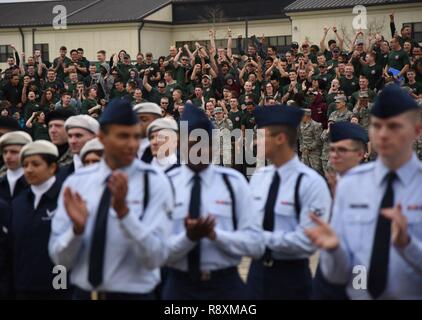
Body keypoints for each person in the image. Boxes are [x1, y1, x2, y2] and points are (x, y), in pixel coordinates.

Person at [305, 85, 422, 299]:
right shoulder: (352, 185)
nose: (384, 134)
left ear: (416, 130)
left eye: (394, 126)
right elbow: (338, 273)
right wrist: (333, 251)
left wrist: (407, 246)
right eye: (377, 126)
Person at [49, 98, 173, 300]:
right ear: (102, 137)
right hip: (84, 294)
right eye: (123, 136)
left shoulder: (154, 182)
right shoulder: (77, 183)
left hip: (134, 296)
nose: (132, 144)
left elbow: (156, 257)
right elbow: (59, 258)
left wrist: (125, 214)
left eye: (135, 136)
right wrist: (76, 231)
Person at [162, 104, 264, 300]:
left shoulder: (234, 184)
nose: (198, 149)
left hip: (225, 285)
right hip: (179, 287)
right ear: (181, 144)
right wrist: (188, 239)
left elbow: (257, 245)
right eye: (192, 142)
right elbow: (153, 251)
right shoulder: (166, 184)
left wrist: (216, 236)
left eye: (204, 142)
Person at [247, 105, 331, 300]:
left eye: (261, 136)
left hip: (291, 278)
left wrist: (261, 239)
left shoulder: (311, 183)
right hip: (256, 274)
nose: (255, 142)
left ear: (280, 139)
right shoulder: (259, 177)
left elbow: (309, 241)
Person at [312, 121, 368, 300]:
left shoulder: (371, 187)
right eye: (332, 149)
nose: (334, 155)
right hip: (327, 270)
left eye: (342, 150)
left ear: (361, 154)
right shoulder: (334, 185)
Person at [8, 140, 70, 299]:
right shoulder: (18, 203)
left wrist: (61, 287)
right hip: (23, 286)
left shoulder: (66, 199)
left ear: (52, 167)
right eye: (25, 165)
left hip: (56, 288)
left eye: (35, 164)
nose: (29, 170)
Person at [58, 115, 99, 179]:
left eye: (78, 136)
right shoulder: (61, 173)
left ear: (95, 137)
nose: (73, 141)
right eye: (70, 136)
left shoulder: (110, 169)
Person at [0, 131, 32, 204]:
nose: (8, 157)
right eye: (5, 152)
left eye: (14, 152)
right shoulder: (2, 181)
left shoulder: (36, 182)